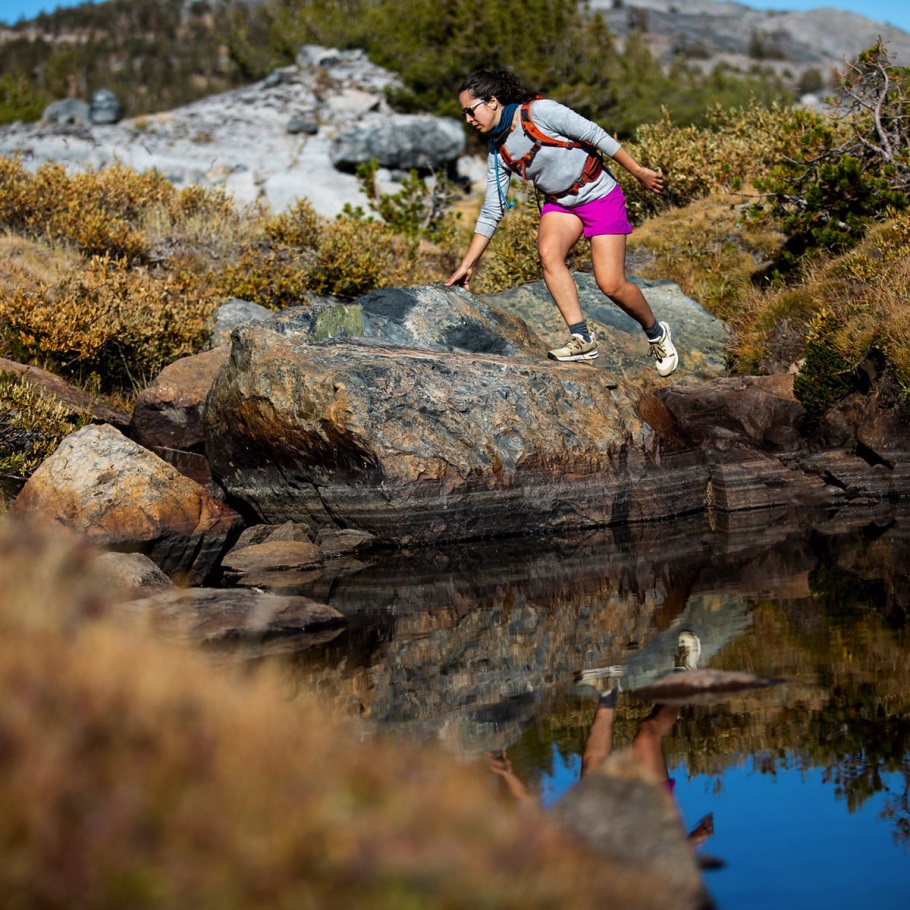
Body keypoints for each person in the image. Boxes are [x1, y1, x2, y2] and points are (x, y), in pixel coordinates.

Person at [445, 69, 678, 376]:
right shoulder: (497, 150)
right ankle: (581, 338)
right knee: (548, 254)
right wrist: (467, 265)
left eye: (470, 111)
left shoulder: (541, 112)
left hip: (599, 196)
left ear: (491, 102)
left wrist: (638, 171)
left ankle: (655, 333)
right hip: (562, 204)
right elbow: (491, 211)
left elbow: (595, 134)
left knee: (611, 284)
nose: (468, 120)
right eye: (463, 113)